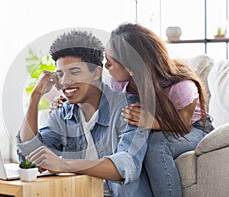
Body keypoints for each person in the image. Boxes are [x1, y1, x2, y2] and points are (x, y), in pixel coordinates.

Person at [16, 30, 153, 196]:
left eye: (74, 72)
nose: (65, 82)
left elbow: (126, 165)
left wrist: (64, 164)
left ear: (96, 72)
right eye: (60, 74)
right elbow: (29, 157)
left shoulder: (127, 107)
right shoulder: (64, 114)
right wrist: (35, 98)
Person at [104, 23, 214, 197]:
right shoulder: (119, 83)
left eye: (109, 63)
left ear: (131, 67)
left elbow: (184, 125)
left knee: (157, 144)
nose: (105, 67)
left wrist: (154, 122)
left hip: (194, 127)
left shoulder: (181, 86)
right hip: (157, 126)